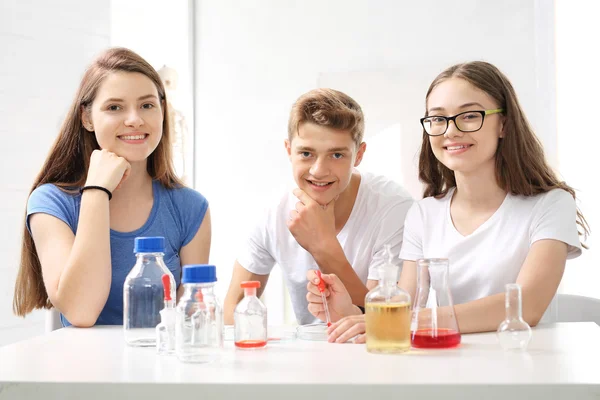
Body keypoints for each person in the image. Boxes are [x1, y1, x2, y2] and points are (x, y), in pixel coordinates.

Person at [307, 61, 588, 343]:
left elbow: (527, 307)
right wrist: (351, 312)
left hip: (530, 367)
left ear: (504, 124)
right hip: (451, 366)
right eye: (438, 119)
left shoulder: (551, 205)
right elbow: (405, 307)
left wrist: (397, 318)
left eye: (468, 116)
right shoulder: (424, 214)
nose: (450, 131)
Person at [12, 48, 211, 327]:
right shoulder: (51, 203)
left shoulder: (191, 208)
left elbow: (192, 321)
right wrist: (97, 190)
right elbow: (80, 311)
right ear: (87, 117)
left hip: (162, 368)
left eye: (147, 105)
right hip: (85, 369)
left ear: (162, 112)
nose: (135, 119)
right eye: (114, 107)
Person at [223, 88, 414, 325]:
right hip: (307, 351)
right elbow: (233, 309)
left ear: (359, 155)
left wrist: (323, 245)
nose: (318, 171)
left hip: (377, 353)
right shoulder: (273, 212)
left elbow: (387, 316)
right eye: (306, 153)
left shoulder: (394, 209)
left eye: (336, 155)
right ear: (288, 151)